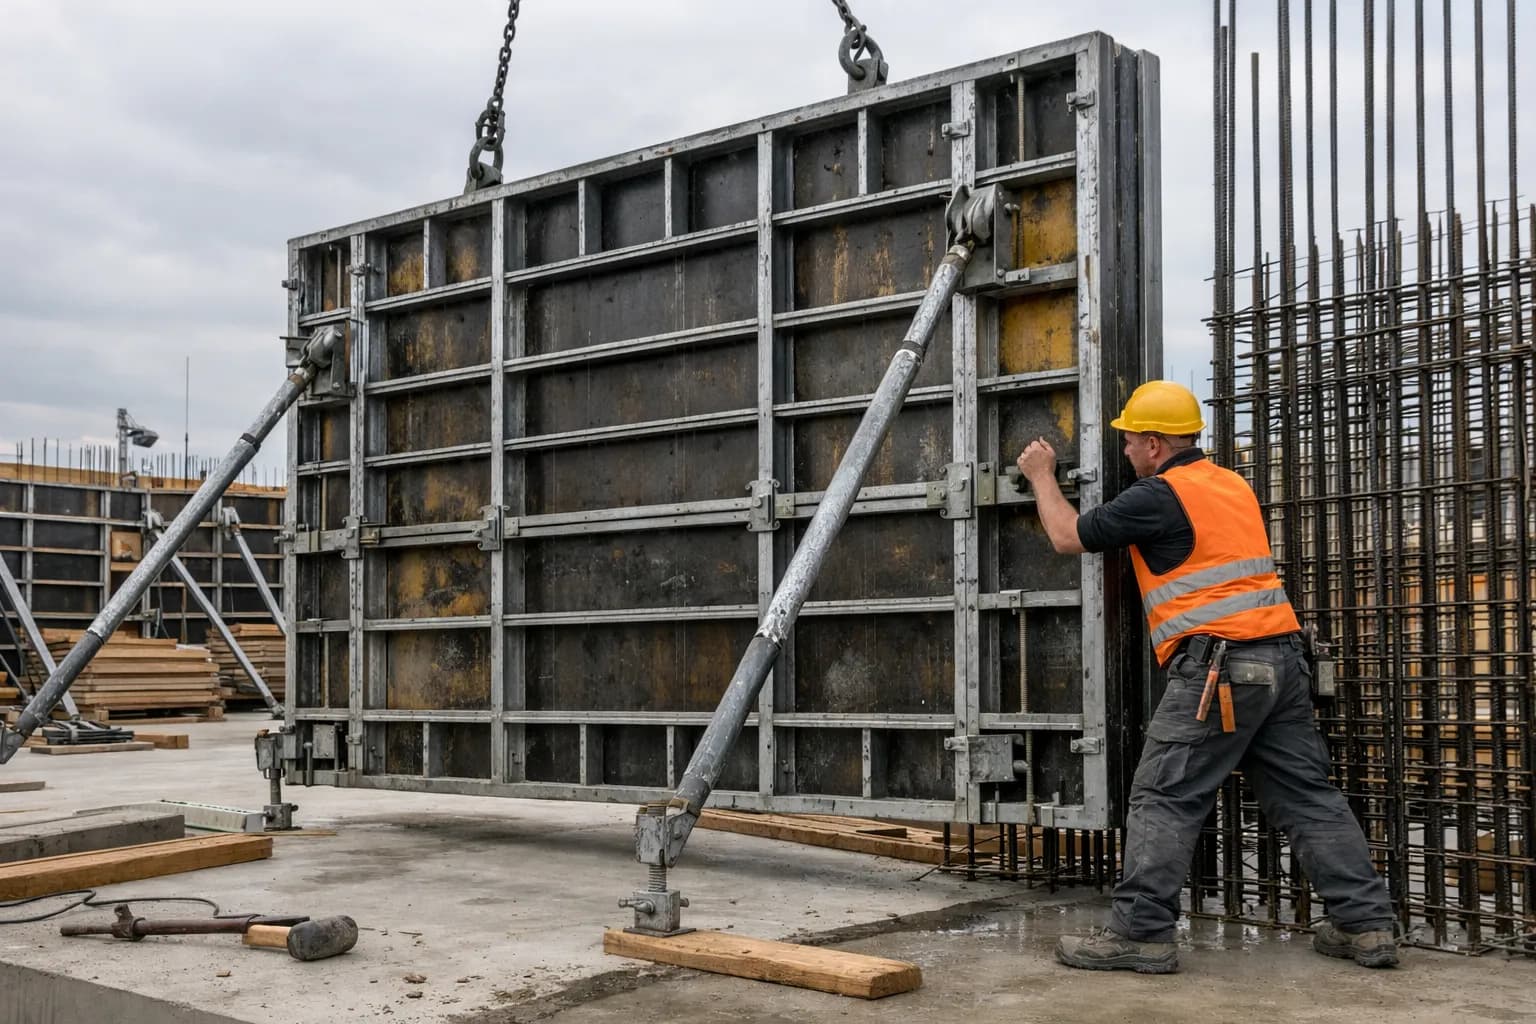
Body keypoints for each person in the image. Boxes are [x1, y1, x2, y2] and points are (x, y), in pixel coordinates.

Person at [1015, 380, 1397, 974]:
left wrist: (1041, 474)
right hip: (1284, 662)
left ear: (1153, 442)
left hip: (1219, 668)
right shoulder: (1231, 485)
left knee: (1164, 796)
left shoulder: (1158, 496)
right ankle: (1366, 926)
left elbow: (1068, 537)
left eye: (1128, 440)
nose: (1124, 451)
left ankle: (1141, 933)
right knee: (1308, 797)